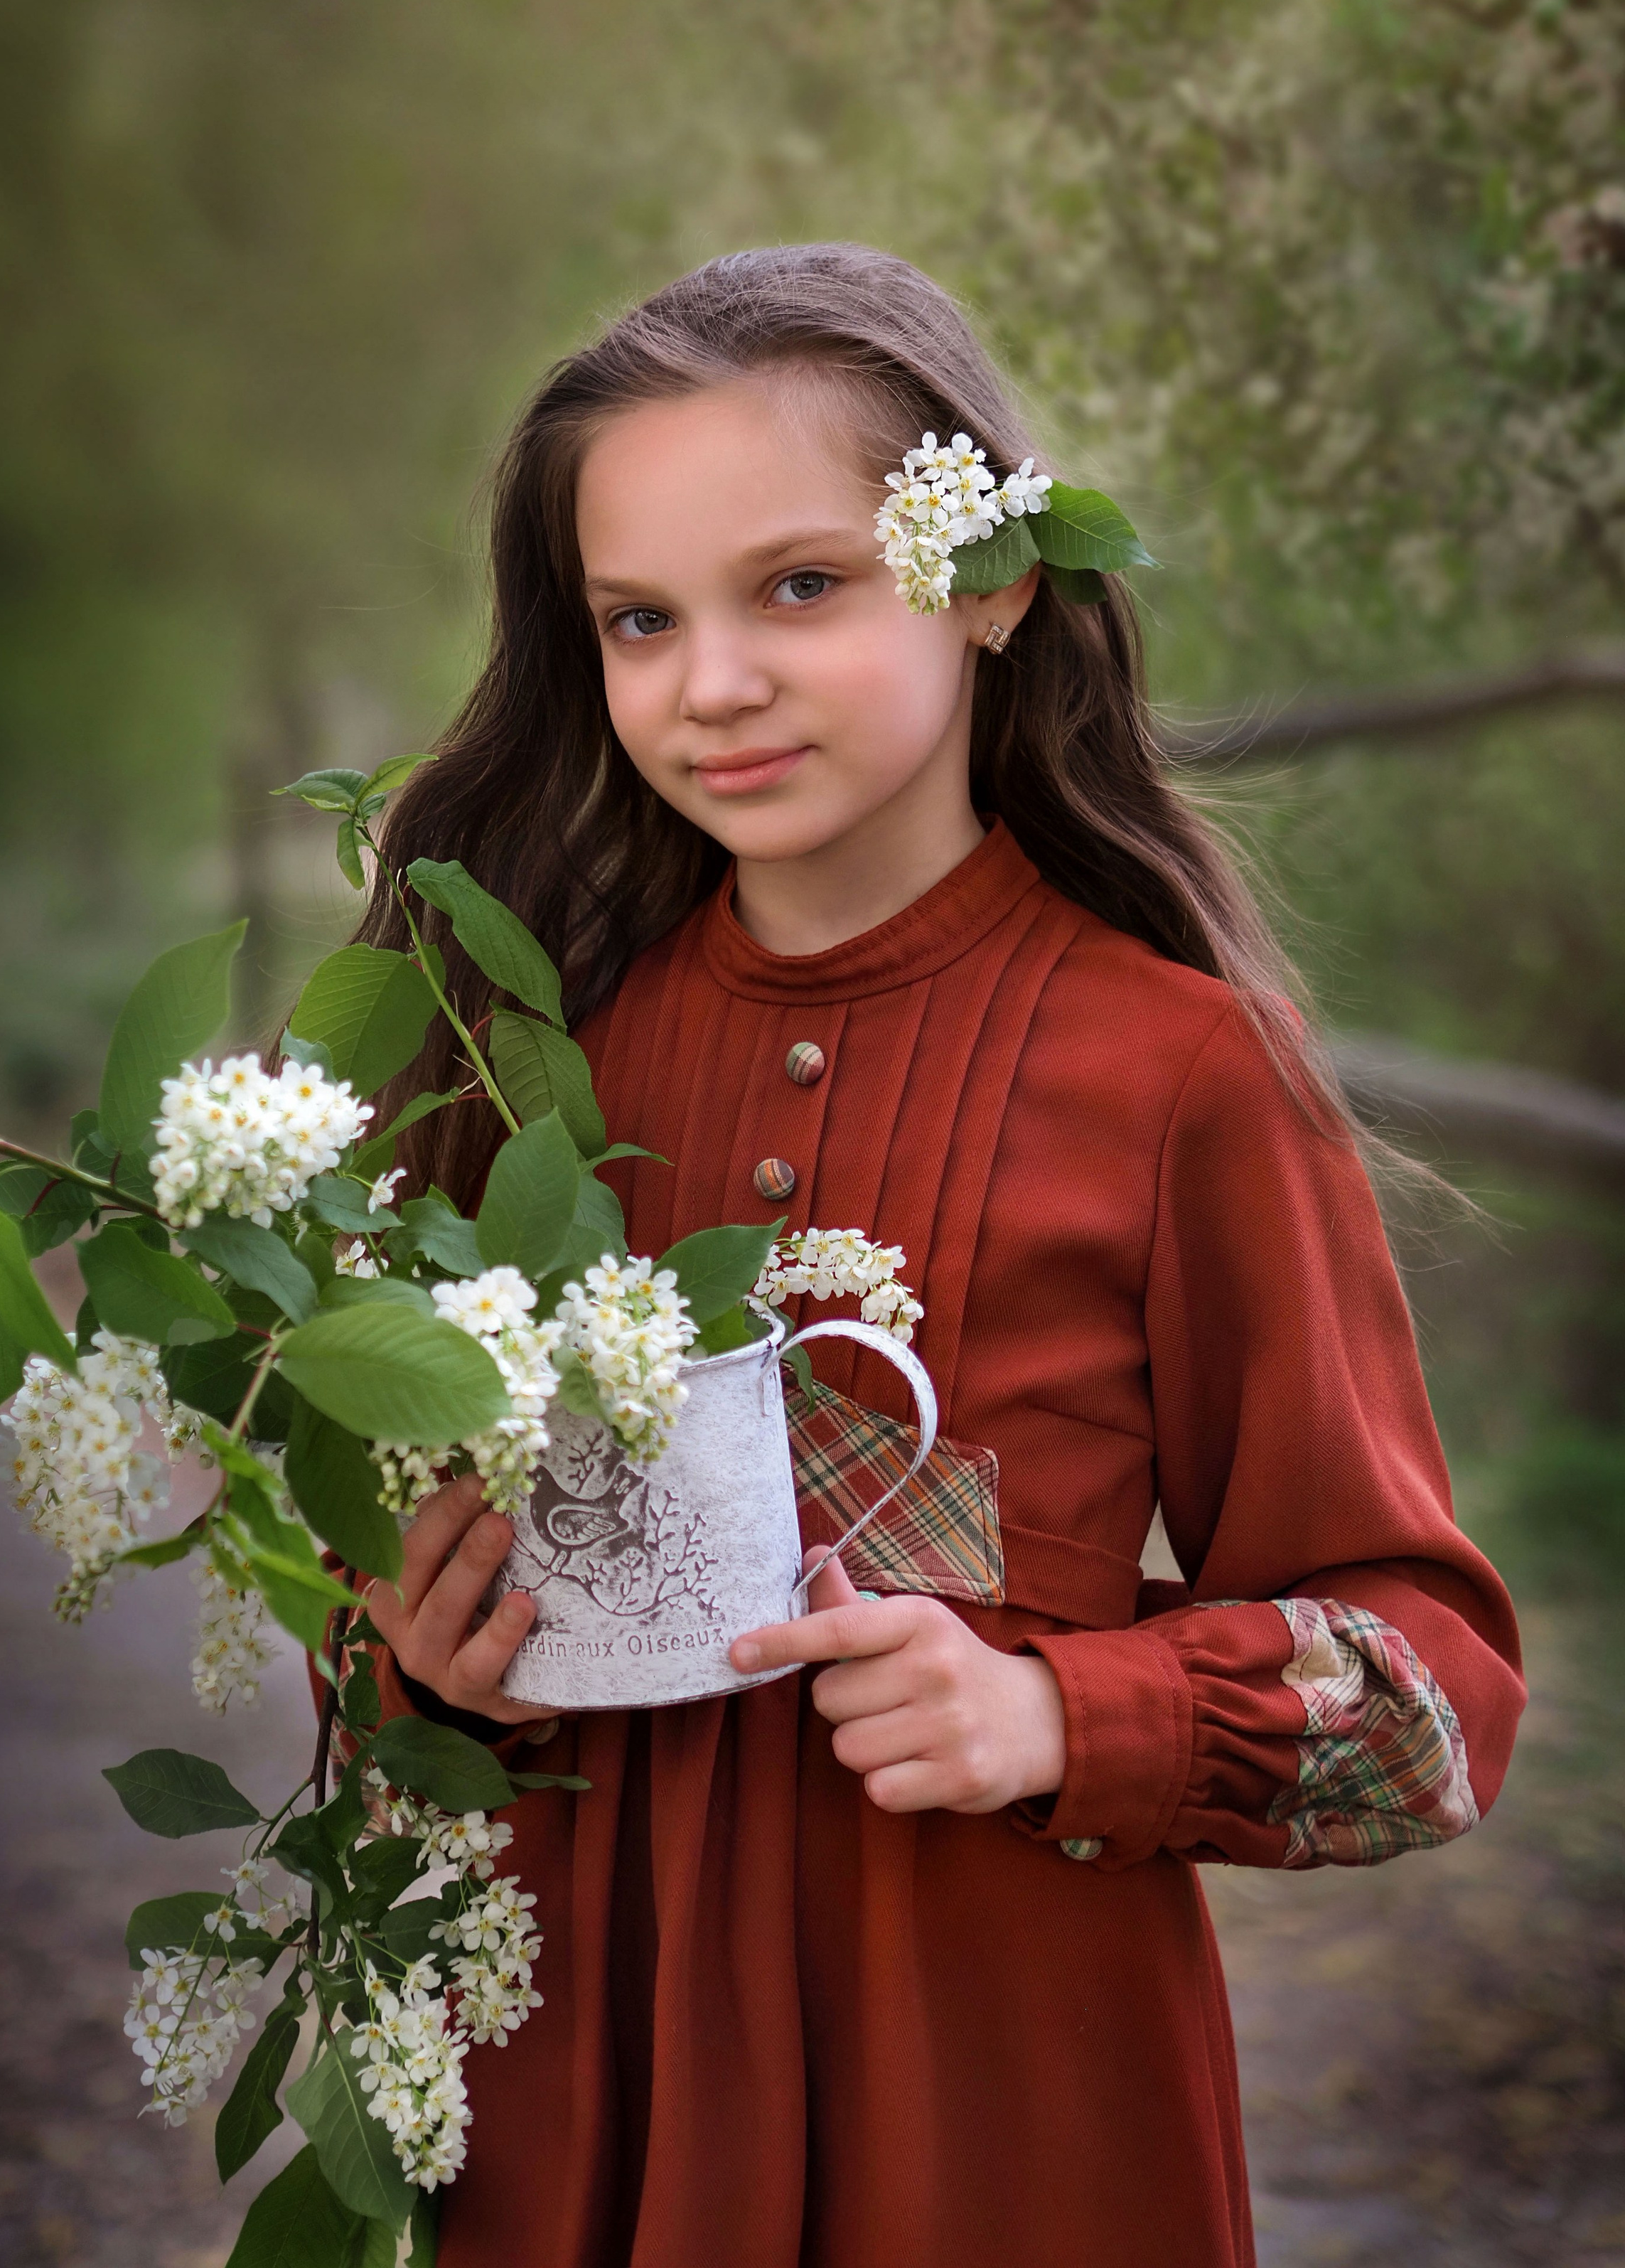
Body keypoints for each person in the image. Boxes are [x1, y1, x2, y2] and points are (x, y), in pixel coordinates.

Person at [348, 243, 1525, 2267]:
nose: (712, 682)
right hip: (579, 2105)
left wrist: (1068, 1718)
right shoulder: (527, 1060)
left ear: (988, 582)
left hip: (999, 2107)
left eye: (798, 586)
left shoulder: (1179, 1076)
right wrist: (409, 1637)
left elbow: (1433, 1692)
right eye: (642, 619)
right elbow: (382, 1556)